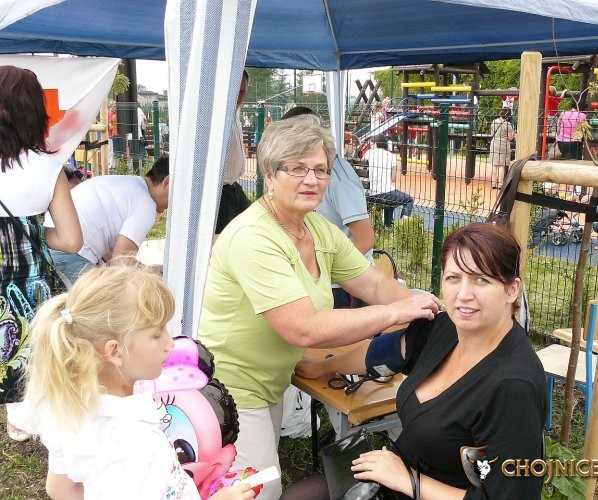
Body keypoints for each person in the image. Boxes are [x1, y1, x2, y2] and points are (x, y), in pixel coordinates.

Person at [198, 114, 442, 499]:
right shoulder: (253, 237)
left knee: (254, 480)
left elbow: (373, 282)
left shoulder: (316, 229)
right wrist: (397, 313)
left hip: (268, 380)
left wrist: (422, 306)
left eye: (320, 169)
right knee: (257, 490)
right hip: (231, 386)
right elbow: (304, 328)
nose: (311, 180)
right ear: (269, 174)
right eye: (297, 168)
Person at [286, 222, 547, 500]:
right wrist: (323, 366)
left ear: (511, 290)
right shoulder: (445, 328)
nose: (464, 294)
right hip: (395, 475)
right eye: (454, 278)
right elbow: (381, 353)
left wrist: (408, 480)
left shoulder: (513, 386)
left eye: (481, 280)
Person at [14, 265, 254, 500]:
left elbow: (60, 490)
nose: (170, 342)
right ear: (115, 351)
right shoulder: (131, 442)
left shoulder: (69, 409)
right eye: (157, 334)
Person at [0, 65, 83, 441]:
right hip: (32, 288)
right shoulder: (48, 170)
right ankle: (25, 417)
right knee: (33, 351)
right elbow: (71, 241)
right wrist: (30, 231)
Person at [280, 106, 375, 308]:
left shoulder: (339, 180)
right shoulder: (306, 174)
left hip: (344, 287)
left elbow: (366, 239)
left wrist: (327, 272)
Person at [46, 155, 170, 283]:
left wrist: (150, 270)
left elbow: (112, 256)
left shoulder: (128, 185)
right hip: (73, 254)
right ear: (166, 182)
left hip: (52, 246)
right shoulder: (146, 203)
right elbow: (121, 264)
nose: (171, 207)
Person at [214, 69, 252, 237]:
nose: (238, 96)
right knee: (221, 238)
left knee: (253, 224)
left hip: (233, 186)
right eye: (235, 91)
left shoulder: (236, 112)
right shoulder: (216, 115)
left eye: (242, 92)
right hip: (218, 191)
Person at [363, 134, 414, 228]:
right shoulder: (391, 156)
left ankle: (388, 224)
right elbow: (393, 179)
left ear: (376, 144)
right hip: (385, 194)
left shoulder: (368, 153)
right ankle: (401, 225)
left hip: (369, 195)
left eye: (371, 144)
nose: (370, 146)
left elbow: (362, 171)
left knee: (390, 193)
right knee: (408, 200)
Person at [489, 108, 515, 189]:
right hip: (503, 145)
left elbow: (492, 133)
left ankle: (493, 183)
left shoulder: (494, 122)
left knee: (494, 164)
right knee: (501, 165)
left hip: (494, 143)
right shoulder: (508, 125)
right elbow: (510, 137)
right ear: (508, 116)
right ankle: (500, 184)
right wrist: (514, 134)